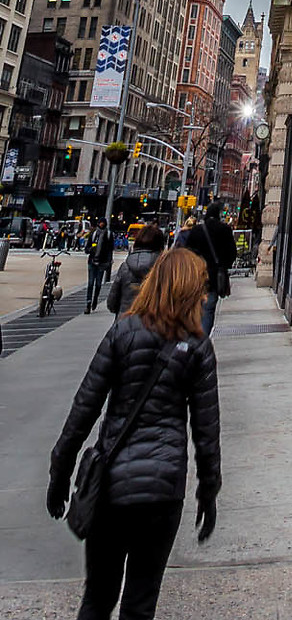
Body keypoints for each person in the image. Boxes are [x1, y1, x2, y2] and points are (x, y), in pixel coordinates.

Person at [46, 245, 221, 620]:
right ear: (191, 291)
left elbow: (84, 409)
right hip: (163, 490)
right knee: (141, 601)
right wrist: (209, 493)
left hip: (112, 485)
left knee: (97, 597)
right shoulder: (198, 348)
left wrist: (59, 474)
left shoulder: (122, 332)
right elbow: (207, 433)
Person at [176, 201, 237, 337]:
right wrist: (223, 266)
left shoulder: (197, 231)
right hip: (214, 278)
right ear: (219, 215)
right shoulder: (225, 230)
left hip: (196, 276)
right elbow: (232, 253)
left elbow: (187, 252)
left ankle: (193, 337)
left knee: (194, 308)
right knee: (208, 310)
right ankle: (202, 340)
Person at [107, 225, 166, 318]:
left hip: (124, 324)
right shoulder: (165, 269)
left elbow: (111, 303)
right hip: (153, 325)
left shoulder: (125, 267)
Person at [85, 221, 115, 315]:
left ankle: (95, 300)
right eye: (100, 223)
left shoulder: (108, 235)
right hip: (92, 262)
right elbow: (86, 249)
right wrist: (91, 249)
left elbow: (110, 249)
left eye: (103, 223)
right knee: (90, 283)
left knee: (98, 284)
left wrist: (109, 261)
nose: (101, 224)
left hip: (102, 263)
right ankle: (88, 303)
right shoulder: (93, 234)